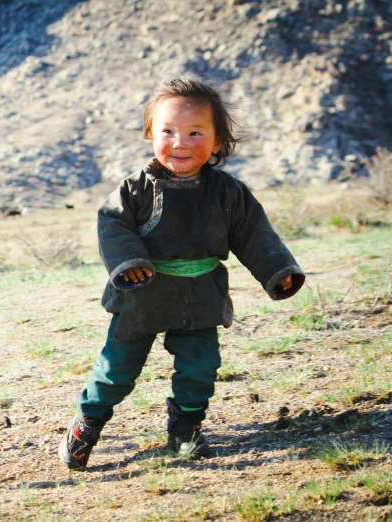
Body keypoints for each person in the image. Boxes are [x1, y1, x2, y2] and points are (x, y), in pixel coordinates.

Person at [59, 73, 305, 468]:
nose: (180, 142)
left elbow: (254, 234)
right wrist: (131, 262)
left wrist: (277, 268)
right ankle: (87, 421)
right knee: (117, 367)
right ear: (150, 133)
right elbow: (113, 225)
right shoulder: (135, 189)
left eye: (195, 133)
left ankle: (185, 429)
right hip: (142, 292)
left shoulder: (228, 192)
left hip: (200, 293)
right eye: (168, 130)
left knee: (200, 366)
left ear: (218, 142)